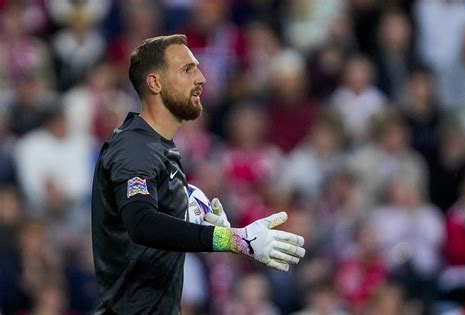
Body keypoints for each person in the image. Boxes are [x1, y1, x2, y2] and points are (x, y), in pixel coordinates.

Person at [91, 34, 306, 314]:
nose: (202, 78)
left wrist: (192, 216)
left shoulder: (161, 149)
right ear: (155, 83)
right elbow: (141, 222)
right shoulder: (135, 148)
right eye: (187, 70)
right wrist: (232, 239)